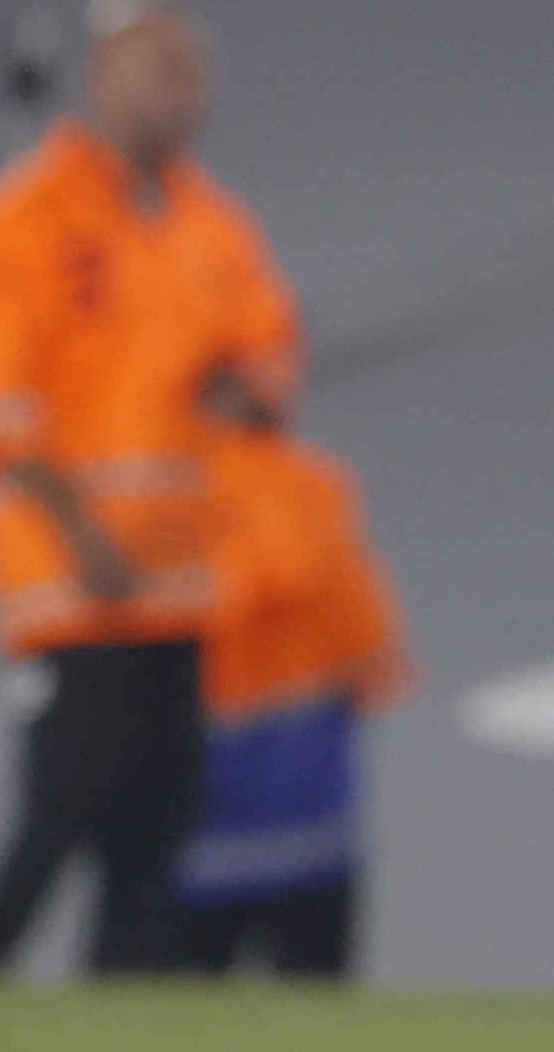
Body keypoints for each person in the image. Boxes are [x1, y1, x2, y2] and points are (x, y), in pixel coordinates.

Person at [0, 0, 306, 978]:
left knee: (161, 827)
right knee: (68, 802)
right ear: (103, 75)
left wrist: (250, 391)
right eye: (162, 66)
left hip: (185, 582)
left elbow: (269, 350)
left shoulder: (211, 227)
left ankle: (123, 1009)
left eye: (193, 68)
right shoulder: (17, 222)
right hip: (67, 580)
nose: (184, 90)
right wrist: (76, 529)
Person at [173, 416, 403, 976]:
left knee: (176, 1008)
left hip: (201, 797)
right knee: (311, 998)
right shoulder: (305, 484)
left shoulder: (147, 484)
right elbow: (360, 632)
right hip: (301, 788)